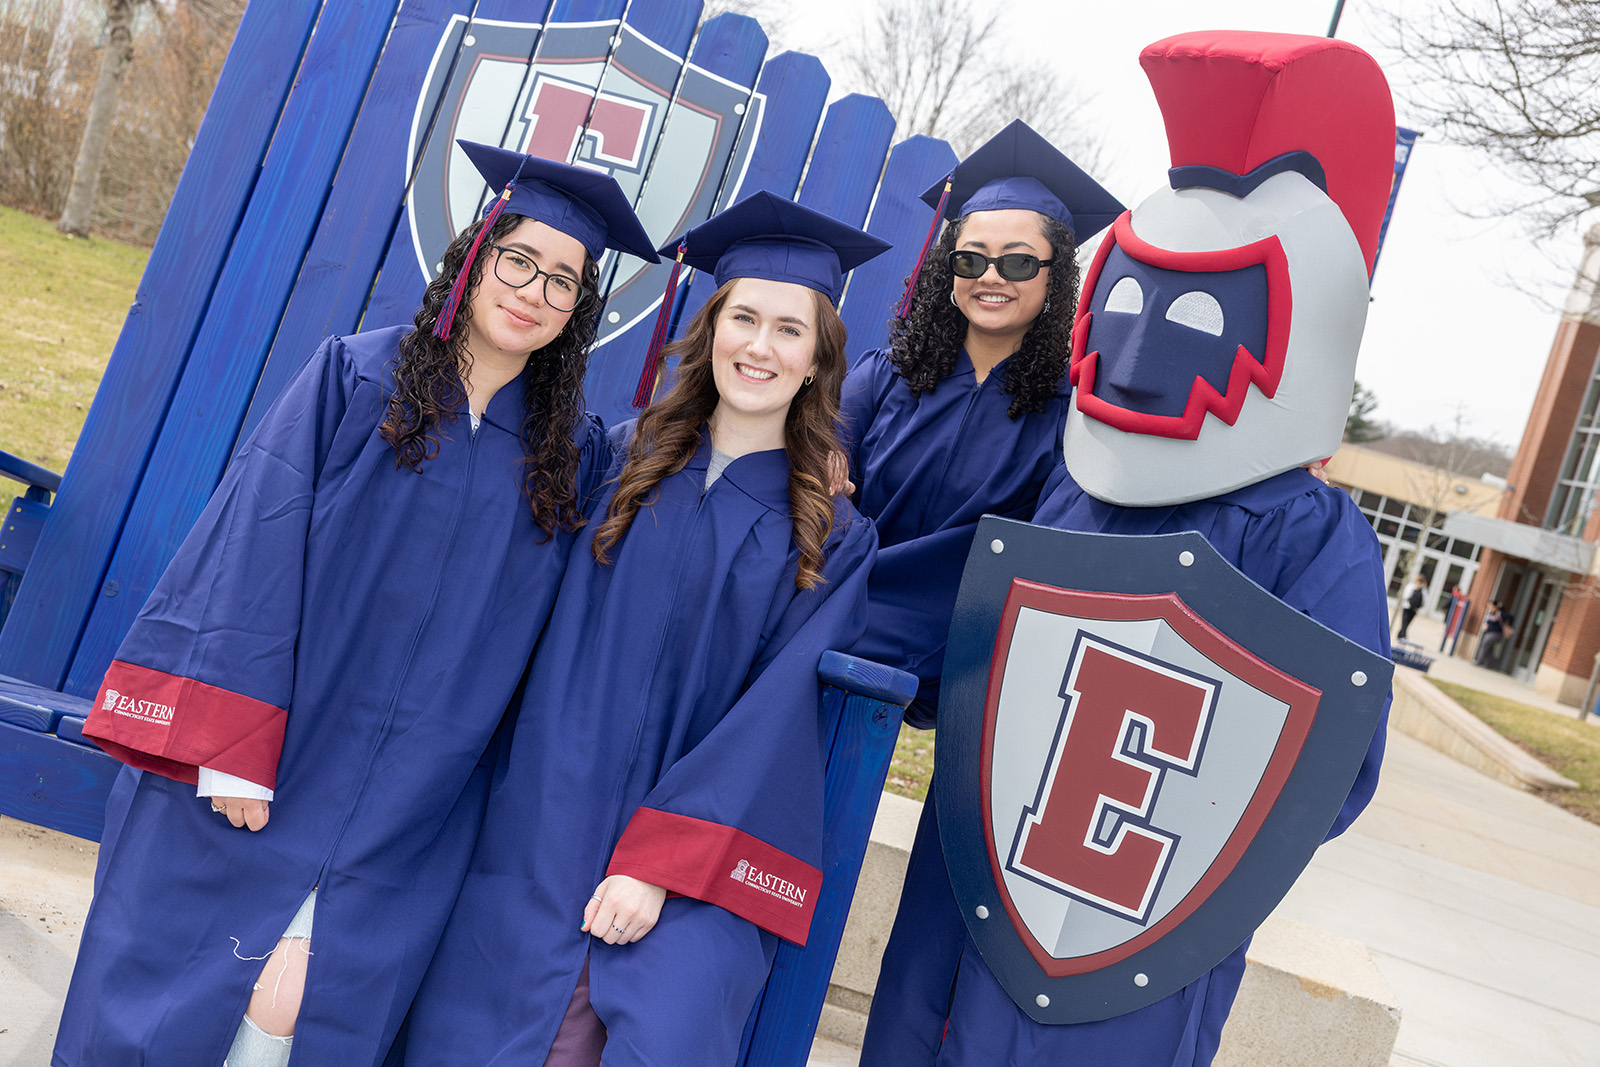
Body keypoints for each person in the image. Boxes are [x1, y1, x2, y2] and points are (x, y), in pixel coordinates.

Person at [53, 141, 660, 1067]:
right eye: (519, 259)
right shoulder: (356, 379)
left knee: (312, 1008)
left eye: (564, 282)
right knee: (180, 986)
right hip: (279, 750)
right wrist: (231, 742)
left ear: (580, 313)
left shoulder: (568, 456)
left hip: (417, 794)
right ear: (473, 258)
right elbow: (250, 544)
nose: (534, 290)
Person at [864, 31, 1395, 1067]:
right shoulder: (1070, 477)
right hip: (970, 884)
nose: (1149, 342)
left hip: (1131, 928)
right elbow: (939, 616)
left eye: (1196, 312)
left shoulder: (1302, 530)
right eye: (1133, 299)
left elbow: (1330, 763)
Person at [401, 192, 888, 1067]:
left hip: (696, 844)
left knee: (658, 1024)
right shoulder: (610, 458)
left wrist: (660, 861)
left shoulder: (834, 533)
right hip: (540, 807)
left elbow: (776, 713)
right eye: (744, 317)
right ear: (711, 331)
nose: (759, 346)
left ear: (819, 359)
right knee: (476, 1012)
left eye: (788, 329)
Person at [850, 120, 1123, 1065]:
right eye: (971, 256)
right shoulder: (886, 380)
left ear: (1057, 281)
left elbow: (1025, 560)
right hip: (826, 662)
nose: (991, 274)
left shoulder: (1072, 418)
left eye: (1018, 259)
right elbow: (811, 488)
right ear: (944, 267)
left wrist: (860, 576)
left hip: (969, 672)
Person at [1475, 600, 1515, 668]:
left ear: (1495, 606)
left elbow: (1511, 617)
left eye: (1490, 605)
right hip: (1488, 632)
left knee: (1484, 645)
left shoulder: (1500, 613)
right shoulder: (1490, 613)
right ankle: (1488, 664)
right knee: (1490, 648)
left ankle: (1479, 661)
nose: (1489, 607)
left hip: (1495, 633)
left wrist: (1508, 625)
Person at [1398, 573, 1427, 640]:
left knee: (1405, 621)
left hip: (1407, 606)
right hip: (1414, 608)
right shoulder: (1423, 590)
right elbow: (1424, 600)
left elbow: (1405, 596)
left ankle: (1401, 634)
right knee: (1406, 622)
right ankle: (1402, 635)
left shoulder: (1411, 586)